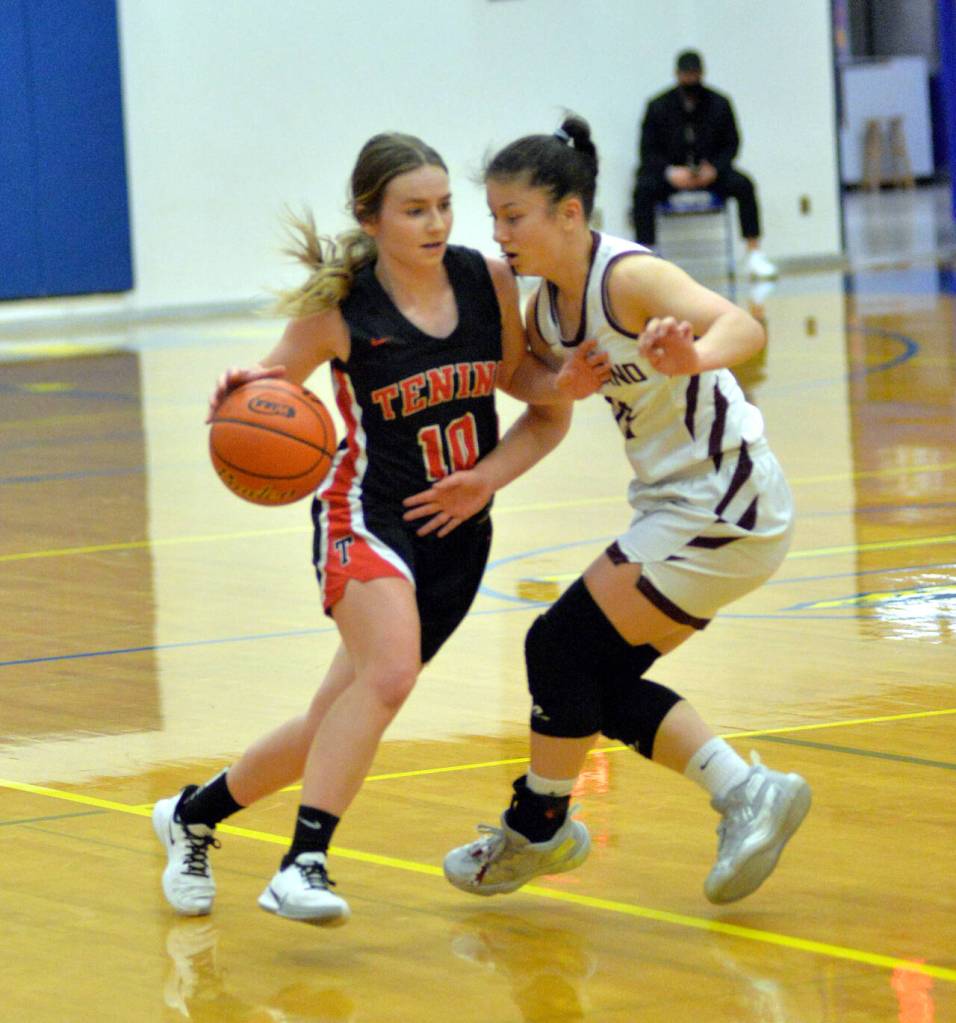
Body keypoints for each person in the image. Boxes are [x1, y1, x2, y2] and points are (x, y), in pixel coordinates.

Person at [152, 132, 610, 927]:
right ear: (371, 218)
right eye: (413, 210)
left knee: (335, 719)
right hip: (364, 515)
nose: (435, 223)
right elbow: (259, 397)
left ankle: (192, 814)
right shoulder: (341, 311)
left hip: (458, 531)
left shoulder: (488, 280)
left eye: (443, 206)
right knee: (390, 676)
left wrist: (555, 386)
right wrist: (234, 397)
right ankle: (303, 861)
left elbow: (521, 385)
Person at [422, 115, 810, 905]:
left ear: (569, 212)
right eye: (492, 217)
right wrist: (496, 464)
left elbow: (741, 321)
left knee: (557, 645)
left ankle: (539, 828)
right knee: (590, 676)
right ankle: (743, 792)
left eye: (513, 217)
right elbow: (537, 396)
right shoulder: (548, 310)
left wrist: (693, 355)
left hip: (726, 500)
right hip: (678, 504)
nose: (499, 233)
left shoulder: (627, 277)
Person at [631, 50, 778, 281]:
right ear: (677, 75)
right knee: (643, 188)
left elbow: (732, 144)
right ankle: (647, 255)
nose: (690, 80)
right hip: (673, 174)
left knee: (744, 184)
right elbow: (647, 151)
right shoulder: (658, 106)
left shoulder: (720, 103)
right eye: (686, 74)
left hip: (710, 173)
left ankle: (754, 253)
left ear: (702, 74)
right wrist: (671, 172)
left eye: (694, 74)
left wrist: (714, 169)